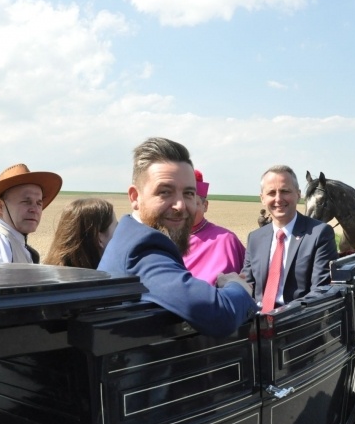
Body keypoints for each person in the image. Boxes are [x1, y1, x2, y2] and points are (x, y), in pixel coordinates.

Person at [98, 137, 256, 337]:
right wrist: (238, 287)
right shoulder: (143, 249)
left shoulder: (128, 236)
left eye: (189, 193)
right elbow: (220, 315)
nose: (180, 205)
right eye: (165, 192)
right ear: (135, 197)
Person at [242, 165, 338, 310]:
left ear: (298, 195)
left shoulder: (320, 234)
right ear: (262, 199)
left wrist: (279, 316)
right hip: (257, 318)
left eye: (285, 191)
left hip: (297, 317)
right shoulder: (255, 238)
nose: (278, 199)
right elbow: (247, 285)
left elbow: (320, 291)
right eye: (271, 193)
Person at [0, 163, 62, 264]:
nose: (34, 209)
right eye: (26, 201)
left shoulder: (12, 242)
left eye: (39, 203)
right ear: (0, 206)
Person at [182, 170, 246, 285]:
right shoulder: (163, 236)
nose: (186, 209)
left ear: (205, 206)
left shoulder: (226, 240)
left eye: (194, 203)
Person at [44, 198, 118, 268]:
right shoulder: (102, 275)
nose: (120, 231)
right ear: (99, 239)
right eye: (117, 227)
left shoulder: (50, 271)